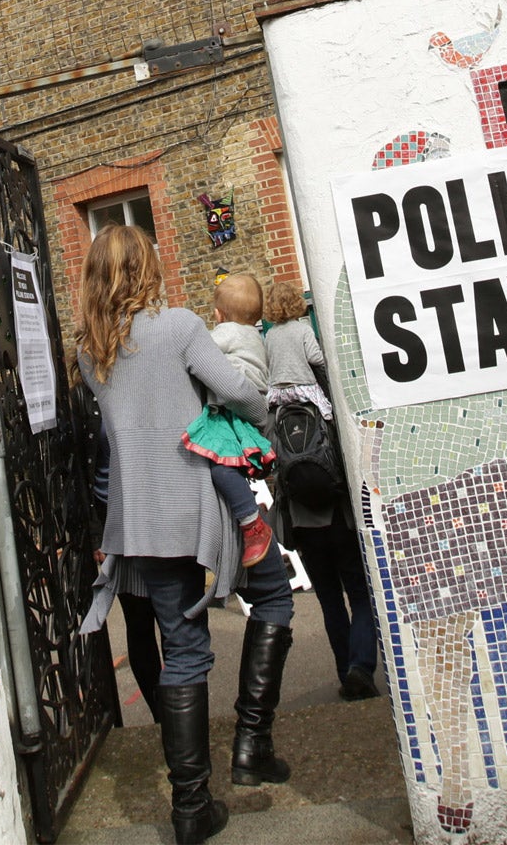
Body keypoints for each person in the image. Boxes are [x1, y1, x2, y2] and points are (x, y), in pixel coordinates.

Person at [75, 226, 296, 844]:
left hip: (137, 517)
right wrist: (261, 419)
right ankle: (251, 743)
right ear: (148, 265)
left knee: (183, 648)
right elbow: (232, 389)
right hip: (204, 507)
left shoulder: (91, 350)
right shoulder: (177, 326)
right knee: (274, 596)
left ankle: (190, 807)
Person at [262, 280, 379, 702]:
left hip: (303, 521)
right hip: (338, 514)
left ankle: (343, 665)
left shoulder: (274, 412)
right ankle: (360, 666)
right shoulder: (320, 406)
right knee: (360, 592)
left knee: (329, 599)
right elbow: (318, 361)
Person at [182, 273, 277, 566]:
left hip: (231, 412)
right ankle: (246, 508)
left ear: (218, 314)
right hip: (248, 408)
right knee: (230, 467)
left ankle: (252, 523)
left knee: (221, 468)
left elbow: (199, 349)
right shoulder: (253, 334)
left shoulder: (228, 332)